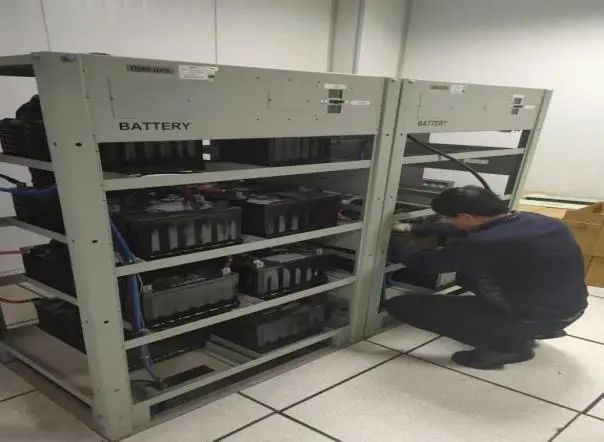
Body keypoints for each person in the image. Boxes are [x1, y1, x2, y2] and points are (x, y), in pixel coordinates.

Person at [386, 185, 588, 369]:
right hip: (570, 309)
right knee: (467, 276)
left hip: (535, 315)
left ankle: (507, 346)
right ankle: (528, 328)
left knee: (401, 306)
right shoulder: (543, 222)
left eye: (449, 218)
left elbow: (426, 264)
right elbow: (467, 230)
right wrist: (414, 228)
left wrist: (392, 242)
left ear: (466, 217)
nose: (448, 222)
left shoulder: (483, 243)